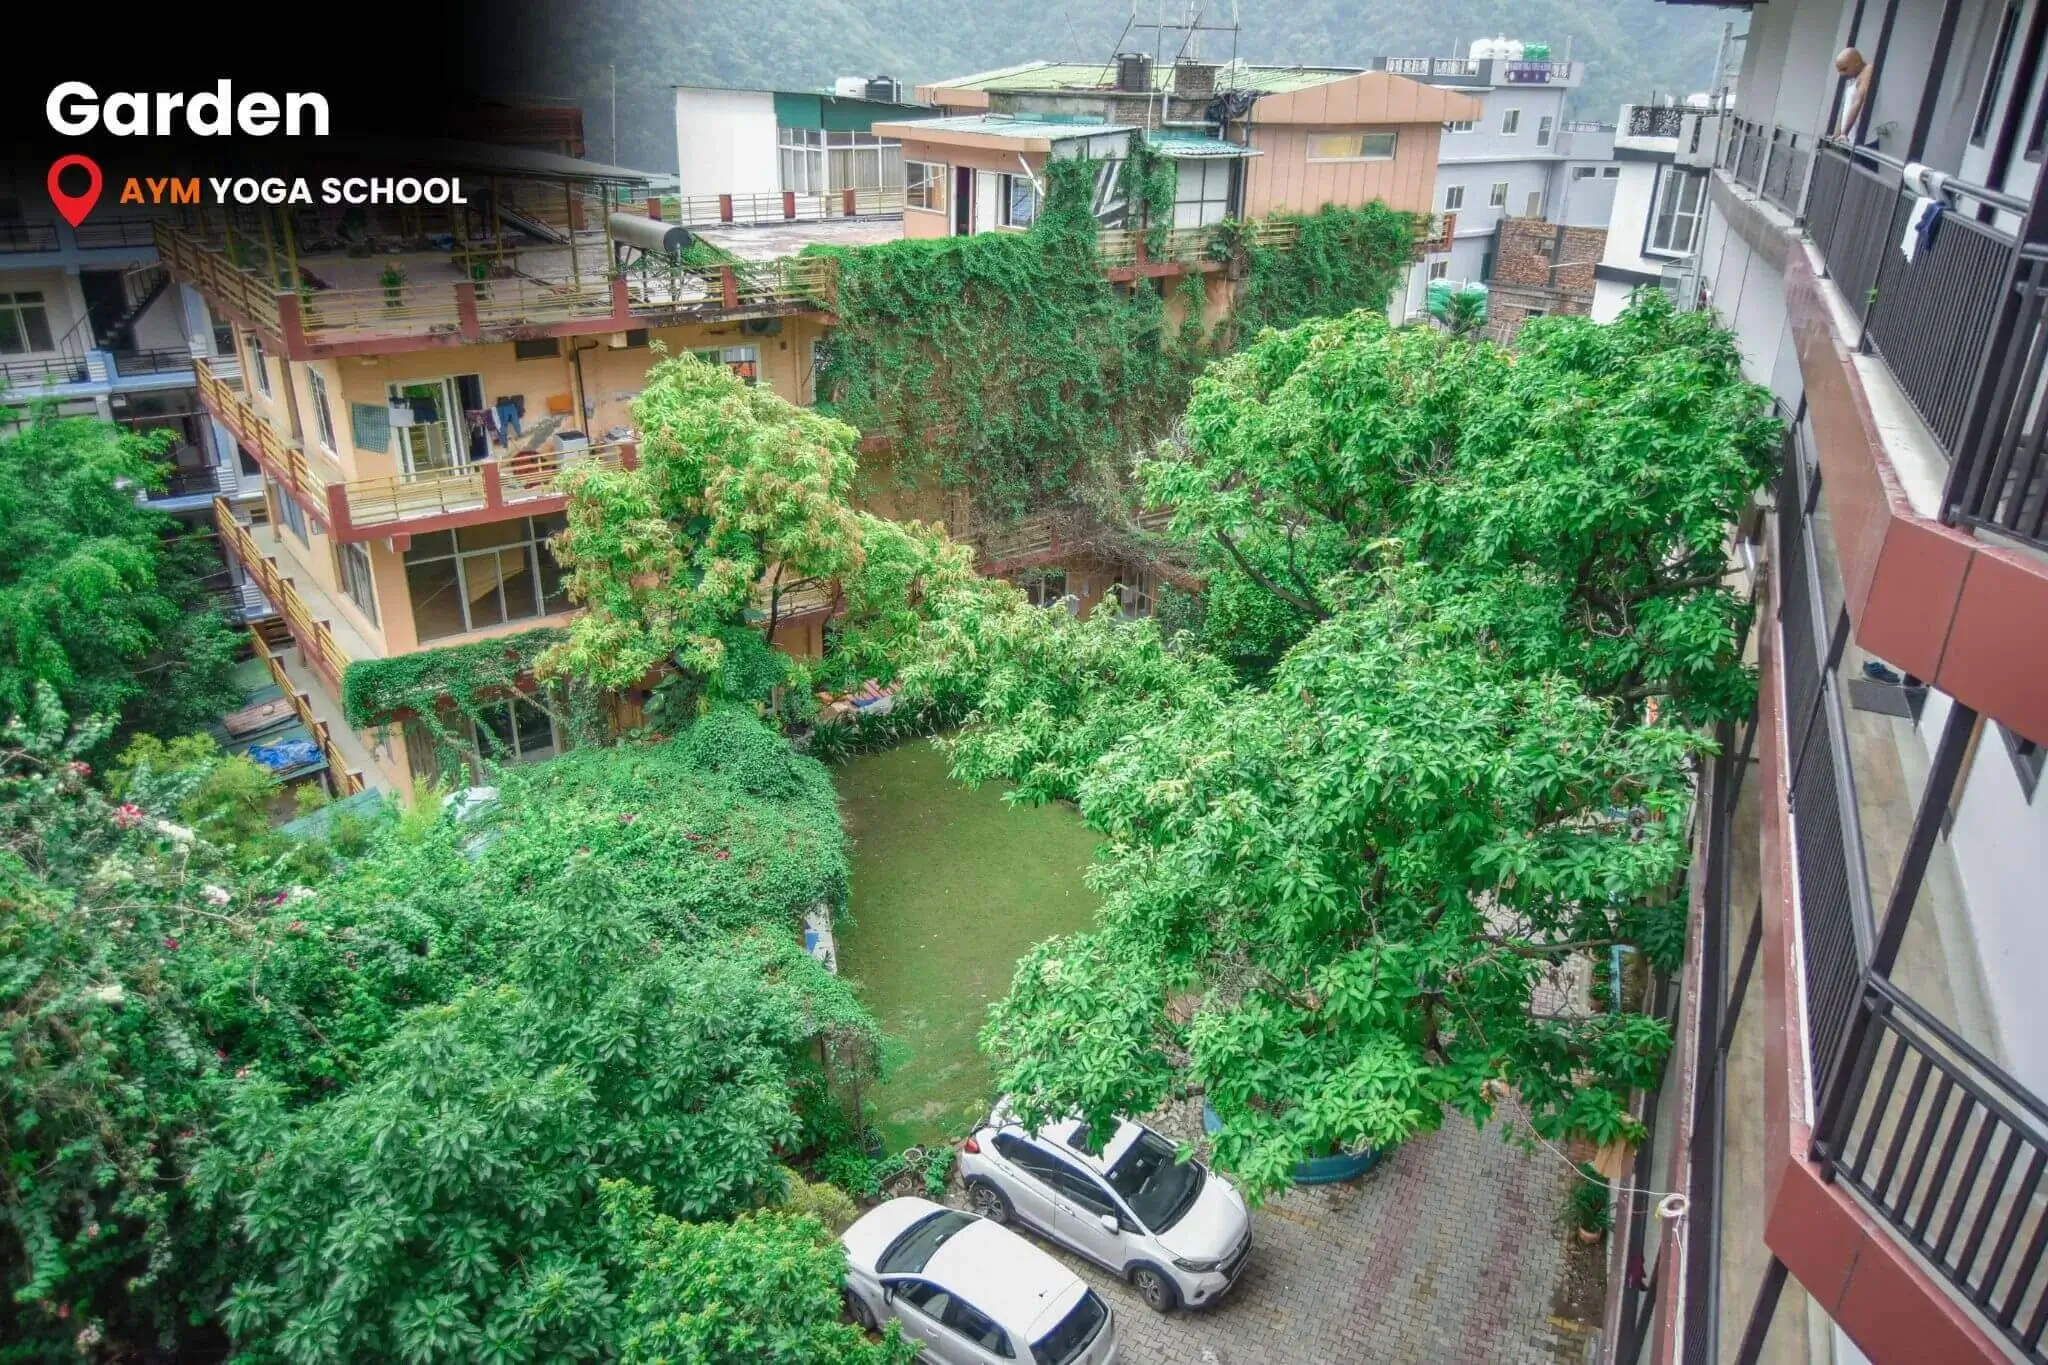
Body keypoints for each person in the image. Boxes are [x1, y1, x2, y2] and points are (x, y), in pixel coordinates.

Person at [1834, 48, 1876, 140]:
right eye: (1839, 70)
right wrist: (1838, 133)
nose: (1842, 74)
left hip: (1863, 141)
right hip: (1849, 139)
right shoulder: (1853, 78)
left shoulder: (1868, 70)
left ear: (1857, 62)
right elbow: (1846, 107)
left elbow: (1858, 101)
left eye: (1844, 69)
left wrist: (1844, 133)